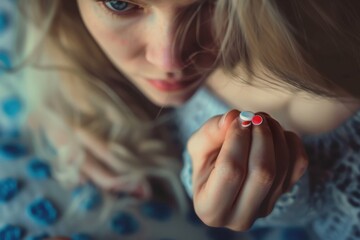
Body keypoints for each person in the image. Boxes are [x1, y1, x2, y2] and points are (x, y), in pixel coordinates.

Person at [1, 0, 358, 240]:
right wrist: (61, 96)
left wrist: (281, 197)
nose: (169, 58)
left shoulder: (329, 94)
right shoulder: (59, 28)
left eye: (209, 3)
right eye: (120, 2)